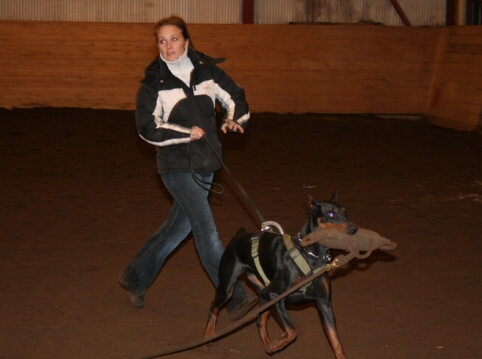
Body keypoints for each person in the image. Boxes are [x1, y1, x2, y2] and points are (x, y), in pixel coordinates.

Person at [118, 15, 257, 321]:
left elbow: (236, 96)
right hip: (176, 167)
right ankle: (234, 297)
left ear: (186, 41)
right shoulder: (153, 84)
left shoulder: (207, 72)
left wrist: (233, 119)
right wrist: (185, 132)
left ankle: (135, 277)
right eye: (162, 40)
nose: (168, 46)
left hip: (207, 163)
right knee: (206, 231)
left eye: (174, 39)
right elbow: (146, 128)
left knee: (176, 230)